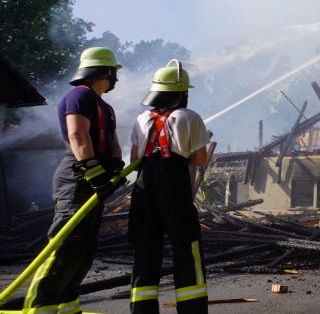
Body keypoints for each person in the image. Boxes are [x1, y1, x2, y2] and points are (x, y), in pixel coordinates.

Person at [24, 47, 125, 314]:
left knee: (83, 250)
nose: (115, 78)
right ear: (104, 71)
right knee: (65, 244)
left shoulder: (105, 106)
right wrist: (93, 171)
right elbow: (77, 136)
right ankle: (39, 306)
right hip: (77, 177)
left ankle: (67, 305)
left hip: (94, 176)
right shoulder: (79, 96)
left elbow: (113, 142)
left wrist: (115, 167)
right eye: (113, 72)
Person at [129, 59, 210, 314]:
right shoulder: (190, 117)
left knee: (145, 249)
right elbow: (199, 159)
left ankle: (142, 310)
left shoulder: (141, 118)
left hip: (144, 187)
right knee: (186, 247)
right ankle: (192, 309)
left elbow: (134, 160)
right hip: (174, 186)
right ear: (182, 93)